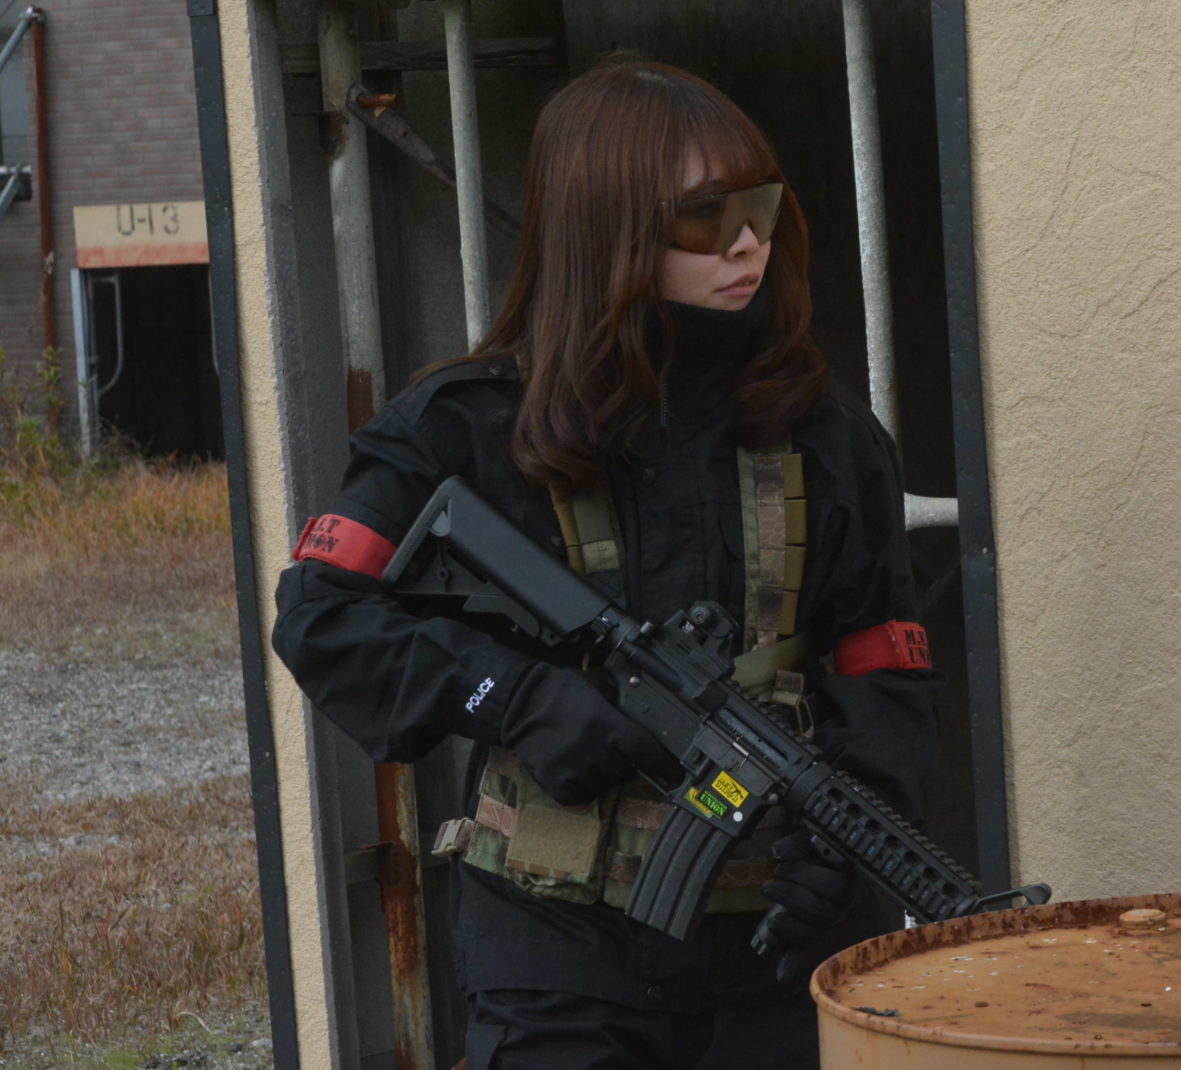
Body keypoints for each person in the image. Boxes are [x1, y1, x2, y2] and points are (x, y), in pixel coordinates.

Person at [272, 56, 939, 1070]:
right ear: (607, 228)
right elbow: (324, 612)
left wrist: (846, 845)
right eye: (705, 216)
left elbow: (882, 663)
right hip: (555, 960)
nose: (748, 242)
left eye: (760, 206)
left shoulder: (826, 437)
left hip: (772, 964)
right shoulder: (463, 427)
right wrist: (515, 696)